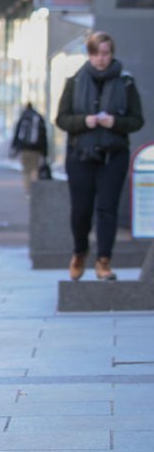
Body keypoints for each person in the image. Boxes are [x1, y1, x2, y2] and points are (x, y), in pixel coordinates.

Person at [55, 31, 144, 281]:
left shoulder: (126, 83)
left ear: (111, 53)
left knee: (107, 209)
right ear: (89, 54)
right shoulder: (75, 81)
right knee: (81, 211)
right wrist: (85, 121)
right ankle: (80, 252)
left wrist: (114, 121)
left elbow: (137, 120)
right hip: (80, 155)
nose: (100, 59)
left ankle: (104, 261)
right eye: (95, 53)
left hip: (113, 155)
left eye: (105, 53)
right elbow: (61, 119)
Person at [11, 103, 48, 194]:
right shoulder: (38, 117)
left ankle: (27, 189)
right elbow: (43, 136)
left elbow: (17, 133)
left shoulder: (23, 117)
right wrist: (45, 152)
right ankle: (33, 189)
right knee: (34, 169)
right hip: (36, 149)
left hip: (24, 149)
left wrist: (14, 147)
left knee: (26, 170)